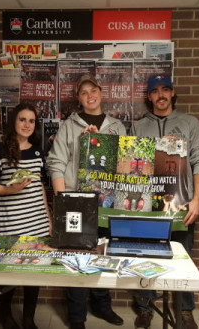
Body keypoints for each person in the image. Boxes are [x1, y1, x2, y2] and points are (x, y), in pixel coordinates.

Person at [47, 74, 125, 329]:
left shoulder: (116, 127)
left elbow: (122, 166)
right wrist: (62, 202)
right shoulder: (68, 126)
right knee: (76, 256)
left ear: (101, 92)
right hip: (75, 201)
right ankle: (77, 315)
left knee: (103, 253)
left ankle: (102, 307)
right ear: (79, 99)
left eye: (93, 90)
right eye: (83, 92)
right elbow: (56, 163)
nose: (90, 95)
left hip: (106, 201)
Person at [129, 74, 199, 329]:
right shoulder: (139, 127)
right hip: (147, 205)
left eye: (165, 89)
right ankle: (145, 307)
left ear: (173, 93)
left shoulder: (189, 123)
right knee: (145, 254)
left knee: (182, 256)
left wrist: (197, 200)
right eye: (155, 91)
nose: (160, 95)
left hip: (181, 204)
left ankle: (185, 311)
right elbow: (131, 164)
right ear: (149, 96)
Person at [0, 103, 52, 329]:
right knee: (10, 274)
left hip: (37, 224)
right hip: (11, 224)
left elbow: (40, 187)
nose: (27, 125)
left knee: (35, 273)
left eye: (31, 121)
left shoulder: (37, 151)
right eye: (22, 119)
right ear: (14, 122)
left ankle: (29, 318)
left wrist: (49, 220)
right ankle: (4, 314)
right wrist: (10, 190)